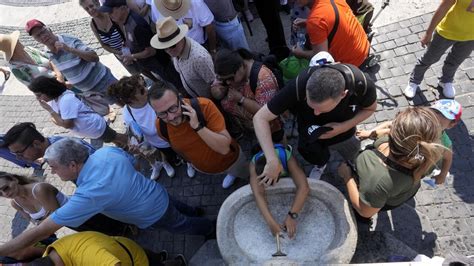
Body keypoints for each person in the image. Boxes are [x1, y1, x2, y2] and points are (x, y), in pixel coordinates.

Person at [0, 138, 215, 258]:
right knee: (180, 208)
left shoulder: (88, 196)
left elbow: (41, 230)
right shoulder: (106, 153)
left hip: (153, 214)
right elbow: (135, 164)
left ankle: (209, 228)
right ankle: (196, 211)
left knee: (183, 225)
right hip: (156, 191)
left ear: (72, 165)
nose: (54, 173)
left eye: (55, 168)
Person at [253, 54, 377, 182]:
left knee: (351, 151)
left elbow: (370, 109)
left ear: (343, 95)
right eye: (310, 106)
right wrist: (272, 159)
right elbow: (260, 118)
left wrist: (343, 127)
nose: (316, 113)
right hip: (310, 130)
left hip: (345, 132)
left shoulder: (361, 84)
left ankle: (351, 165)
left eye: (321, 109)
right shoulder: (299, 84)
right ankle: (320, 164)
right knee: (313, 153)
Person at [337, 107, 446, 219]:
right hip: (401, 193)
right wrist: (371, 133)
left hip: (377, 196)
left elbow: (365, 211)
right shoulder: (432, 152)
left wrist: (347, 176)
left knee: (361, 216)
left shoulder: (379, 179)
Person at [148, 82, 249, 189]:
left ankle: (235, 173)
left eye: (173, 108)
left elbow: (224, 148)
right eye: (162, 113)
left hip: (232, 161)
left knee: (248, 176)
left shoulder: (204, 106)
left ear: (180, 97)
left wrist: (197, 127)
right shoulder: (160, 126)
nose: (171, 117)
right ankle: (231, 175)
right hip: (205, 168)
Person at [357, 99, 461, 185]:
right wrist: (369, 132)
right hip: (393, 153)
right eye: (436, 111)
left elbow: (448, 158)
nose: (436, 116)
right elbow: (390, 125)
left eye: (443, 116)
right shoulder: (417, 122)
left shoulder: (445, 143)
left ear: (452, 124)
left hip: (411, 170)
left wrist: (442, 174)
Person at [26, 19, 117, 114]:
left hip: (102, 81)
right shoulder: (47, 52)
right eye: (38, 36)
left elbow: (94, 57)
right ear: (36, 40)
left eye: (43, 31)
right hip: (88, 92)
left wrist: (69, 49)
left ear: (49, 29)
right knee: (103, 112)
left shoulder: (68, 40)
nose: (43, 36)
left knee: (125, 100)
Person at [107, 75, 178, 179]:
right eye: (141, 90)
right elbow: (135, 133)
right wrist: (134, 143)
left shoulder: (154, 95)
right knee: (171, 155)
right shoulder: (128, 114)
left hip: (175, 134)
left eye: (144, 85)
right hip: (159, 143)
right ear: (131, 100)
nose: (146, 89)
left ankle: (190, 162)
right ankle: (163, 163)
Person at [99, 0, 183, 88]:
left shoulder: (137, 25)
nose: (109, 15)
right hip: (154, 66)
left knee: (177, 85)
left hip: (161, 65)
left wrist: (131, 57)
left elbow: (151, 51)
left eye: (111, 11)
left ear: (122, 8)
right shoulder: (125, 21)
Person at [28, 76, 127, 147]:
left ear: (48, 90)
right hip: (89, 129)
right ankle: (125, 146)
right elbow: (58, 120)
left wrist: (51, 112)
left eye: (39, 95)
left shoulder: (66, 100)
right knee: (111, 138)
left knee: (115, 137)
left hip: (94, 126)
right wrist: (57, 118)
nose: (38, 99)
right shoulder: (55, 100)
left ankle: (136, 145)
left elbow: (67, 124)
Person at [403, 0, 474, 99]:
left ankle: (445, 81)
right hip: (447, 31)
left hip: (471, 37)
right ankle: (414, 81)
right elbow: (443, 7)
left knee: (455, 61)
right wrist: (428, 33)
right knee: (430, 58)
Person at [212, 48, 283, 142]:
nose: (228, 82)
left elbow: (266, 112)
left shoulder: (263, 78)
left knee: (278, 144)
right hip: (253, 125)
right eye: (224, 80)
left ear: (241, 67)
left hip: (271, 127)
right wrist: (219, 90)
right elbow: (215, 89)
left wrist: (241, 99)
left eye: (230, 78)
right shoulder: (227, 67)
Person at [0, 172, 66, 262]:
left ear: (14, 179)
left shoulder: (39, 190)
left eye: (6, 188)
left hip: (81, 219)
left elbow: (56, 220)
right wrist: (43, 222)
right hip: (65, 226)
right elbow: (34, 221)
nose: (5, 194)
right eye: (0, 193)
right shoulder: (15, 203)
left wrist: (41, 223)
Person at [250, 144, 309, 239]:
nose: (273, 186)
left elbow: (304, 187)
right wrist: (271, 222)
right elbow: (258, 193)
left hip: (283, 159)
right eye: (267, 183)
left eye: (274, 181)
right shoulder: (253, 164)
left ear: (280, 168)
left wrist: (292, 215)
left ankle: (286, 145)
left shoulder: (286, 157)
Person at [30, 231, 187, 266]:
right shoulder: (49, 254)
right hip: (119, 246)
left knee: (153, 263)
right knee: (152, 256)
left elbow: (115, 264)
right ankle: (161, 257)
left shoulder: (86, 255)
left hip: (133, 258)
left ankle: (176, 263)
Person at [151, 17, 215, 98]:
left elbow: (213, 83)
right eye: (165, 47)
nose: (168, 50)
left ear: (180, 38)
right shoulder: (177, 51)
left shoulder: (199, 58)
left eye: (172, 45)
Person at [292, 0, 370, 67]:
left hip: (353, 63)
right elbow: (328, 18)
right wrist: (308, 22)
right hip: (364, 46)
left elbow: (321, 57)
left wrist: (301, 53)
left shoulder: (315, 21)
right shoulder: (320, 14)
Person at [80, 0, 140, 76]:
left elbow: (126, 32)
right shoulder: (93, 24)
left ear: (97, 3)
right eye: (87, 9)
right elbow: (103, 45)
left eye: (91, 6)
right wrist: (120, 53)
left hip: (132, 48)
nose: (90, 10)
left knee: (146, 67)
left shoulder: (111, 15)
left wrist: (127, 51)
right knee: (135, 73)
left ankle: (157, 81)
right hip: (120, 55)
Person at [152, 0, 217, 54]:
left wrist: (213, 50)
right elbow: (158, 25)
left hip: (198, 46)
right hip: (173, 49)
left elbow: (209, 27)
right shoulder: (154, 5)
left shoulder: (196, 3)